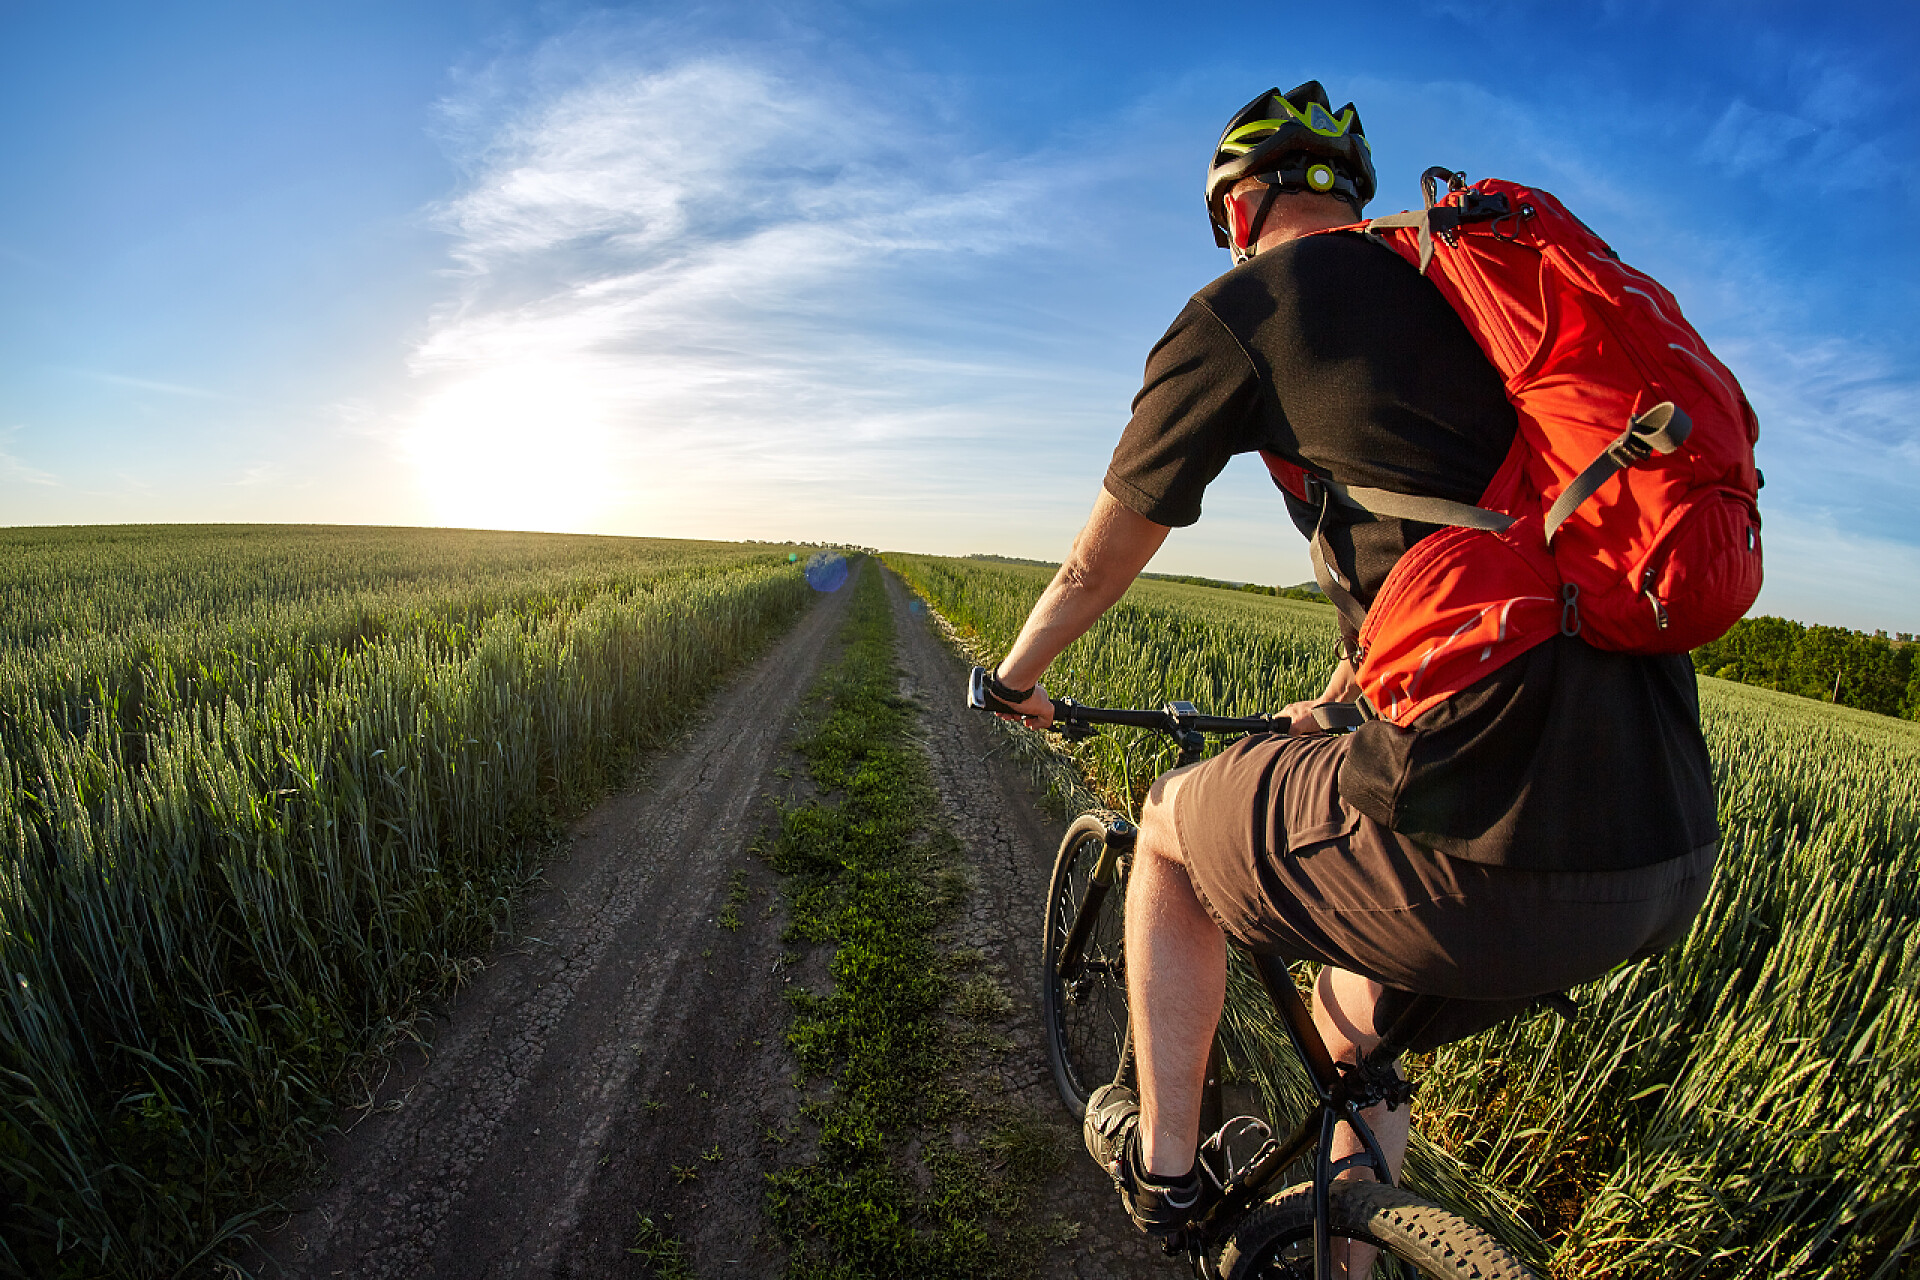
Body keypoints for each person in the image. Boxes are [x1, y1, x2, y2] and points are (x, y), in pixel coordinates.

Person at [980, 82, 1720, 1270]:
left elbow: (1096, 553)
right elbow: (1471, 564)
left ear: (1239, 209)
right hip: (1663, 847)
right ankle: (1346, 1249)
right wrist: (1343, 698)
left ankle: (1164, 1182)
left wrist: (1016, 675)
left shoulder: (1248, 304)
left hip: (1489, 838)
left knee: (1170, 828)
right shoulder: (1460, 303)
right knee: (1351, 1034)